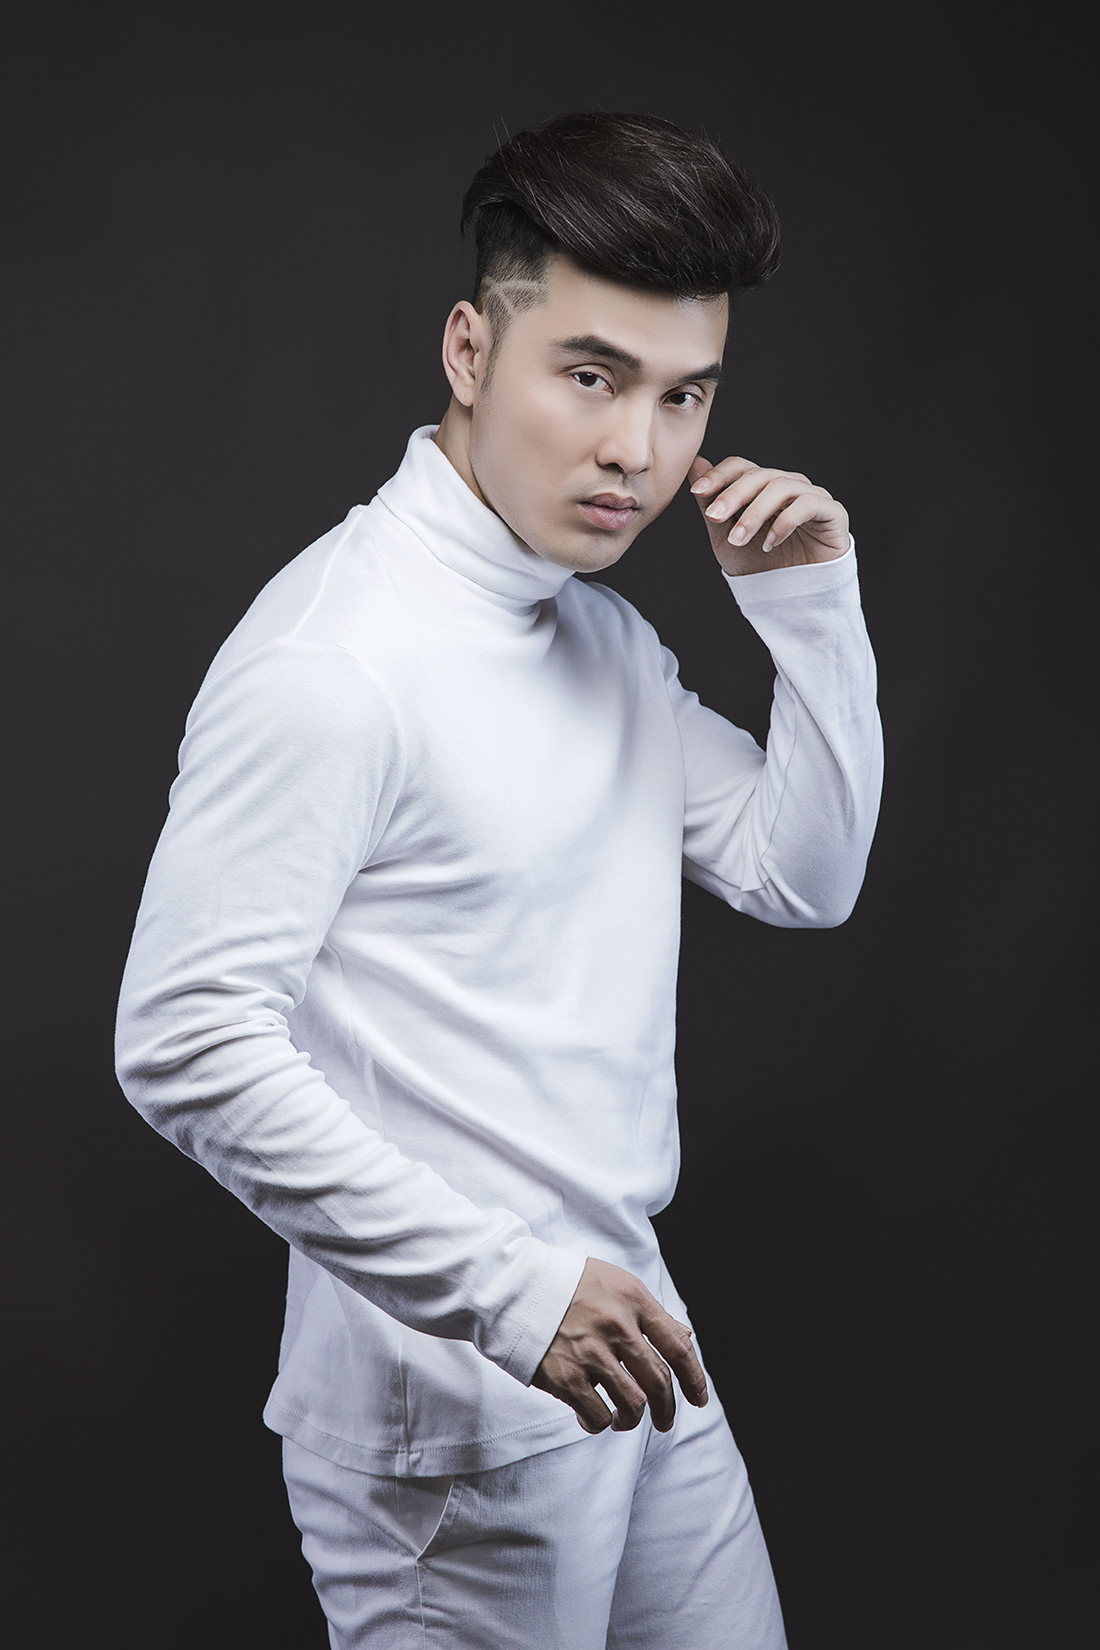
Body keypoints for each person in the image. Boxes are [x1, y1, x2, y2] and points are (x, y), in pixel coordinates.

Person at [116, 111, 882, 1648]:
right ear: (470, 350)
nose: (637, 451)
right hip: (451, 1414)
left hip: (635, 1344)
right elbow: (182, 1039)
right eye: (592, 376)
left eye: (683, 396)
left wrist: (811, 611)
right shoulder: (336, 661)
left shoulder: (598, 635)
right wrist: (512, 1293)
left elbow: (800, 872)